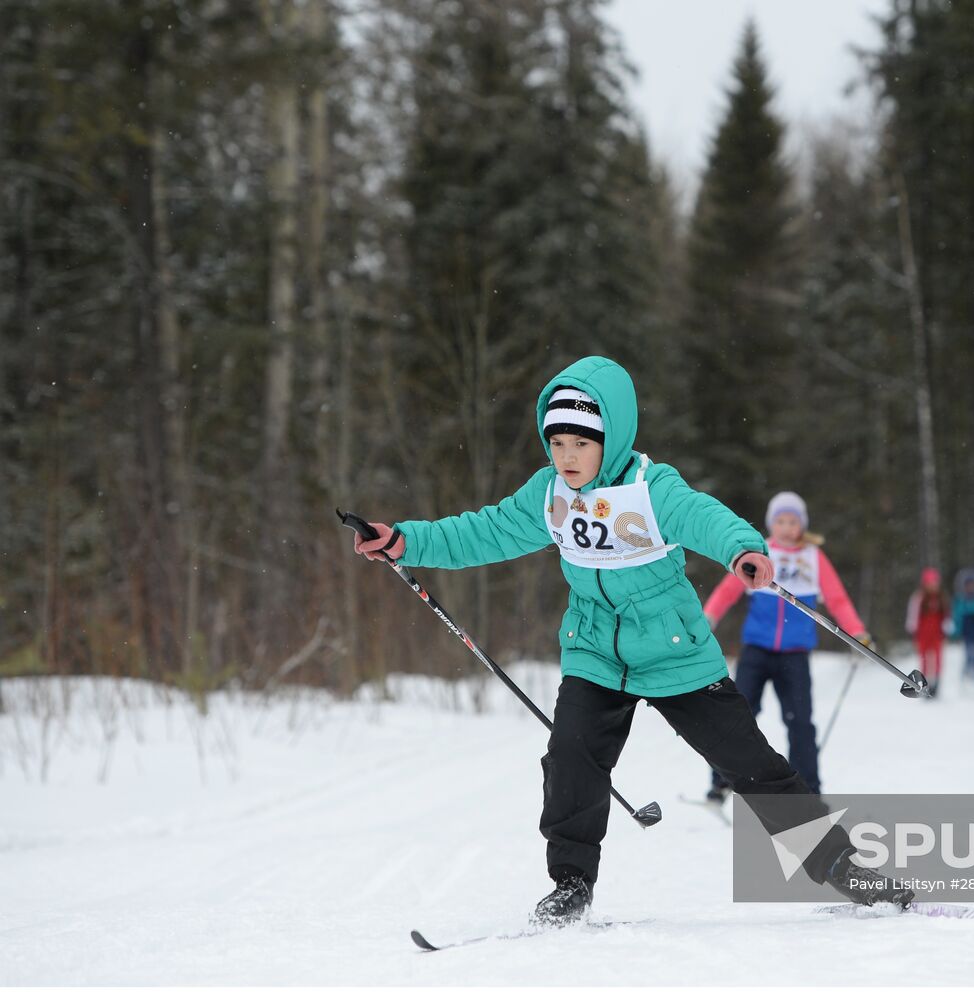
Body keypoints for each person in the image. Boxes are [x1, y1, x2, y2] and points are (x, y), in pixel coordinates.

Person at [351, 357, 911, 926]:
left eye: (580, 443)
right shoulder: (549, 496)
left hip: (675, 652)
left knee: (751, 765)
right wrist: (403, 541)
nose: (566, 456)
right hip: (594, 651)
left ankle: (839, 864)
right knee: (571, 759)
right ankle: (570, 884)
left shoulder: (650, 487)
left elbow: (702, 516)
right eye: (557, 442)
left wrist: (741, 547)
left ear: (610, 437)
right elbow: (485, 529)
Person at [700, 492, 871, 798]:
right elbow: (728, 590)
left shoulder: (813, 557)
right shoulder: (760, 553)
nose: (786, 527)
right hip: (757, 650)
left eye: (793, 521)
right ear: (771, 523)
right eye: (780, 520)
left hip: (795, 654)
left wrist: (857, 632)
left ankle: (809, 792)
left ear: (802, 525)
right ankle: (720, 783)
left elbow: (837, 598)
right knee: (739, 715)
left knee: (800, 723)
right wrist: (709, 616)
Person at [905, 567, 950, 697]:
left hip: (937, 634)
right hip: (923, 634)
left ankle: (936, 685)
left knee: (937, 659)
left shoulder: (941, 598)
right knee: (924, 659)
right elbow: (913, 615)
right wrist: (913, 632)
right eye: (930, 583)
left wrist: (946, 631)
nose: (932, 586)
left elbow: (946, 616)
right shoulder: (919, 598)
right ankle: (923, 685)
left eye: (934, 583)